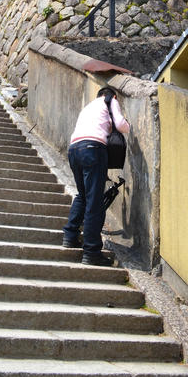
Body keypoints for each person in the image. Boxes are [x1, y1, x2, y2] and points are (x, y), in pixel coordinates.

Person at [62, 86, 130, 266]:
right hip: (93, 149)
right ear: (112, 96)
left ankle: (70, 236)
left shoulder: (88, 107)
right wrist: (130, 127)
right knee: (94, 201)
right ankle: (91, 251)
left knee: (83, 195)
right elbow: (121, 124)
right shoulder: (111, 100)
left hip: (74, 149)